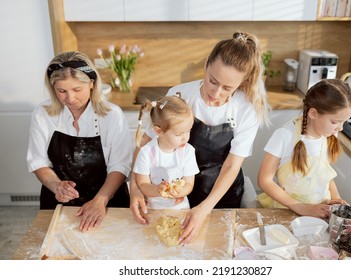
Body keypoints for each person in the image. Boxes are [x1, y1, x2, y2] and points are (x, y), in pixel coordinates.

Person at [130, 31, 271, 244]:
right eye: (212, 81)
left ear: (242, 83)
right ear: (206, 64)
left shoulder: (246, 108)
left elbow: (232, 166)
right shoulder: (180, 95)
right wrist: (135, 188)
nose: (216, 92)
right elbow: (144, 144)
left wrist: (205, 208)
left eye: (227, 88)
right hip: (181, 193)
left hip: (222, 194)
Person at [27, 51, 132, 231]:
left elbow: (119, 165)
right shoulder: (43, 114)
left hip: (107, 200)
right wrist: (56, 185)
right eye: (61, 91)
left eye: (77, 89)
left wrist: (100, 201)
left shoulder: (112, 115)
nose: (70, 98)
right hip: (59, 201)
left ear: (91, 83)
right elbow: (38, 161)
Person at [257, 79, 351, 218]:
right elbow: (264, 180)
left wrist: (336, 198)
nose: (340, 128)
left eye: (344, 121)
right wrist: (301, 208)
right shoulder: (284, 136)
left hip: (320, 212)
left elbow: (324, 175)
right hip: (288, 211)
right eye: (335, 122)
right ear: (313, 113)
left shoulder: (328, 134)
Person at [133, 95, 199, 209]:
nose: (185, 138)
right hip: (153, 210)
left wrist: (178, 191)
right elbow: (143, 184)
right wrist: (158, 190)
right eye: (179, 134)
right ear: (159, 131)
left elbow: (189, 183)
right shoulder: (146, 153)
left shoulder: (188, 151)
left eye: (188, 131)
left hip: (180, 209)